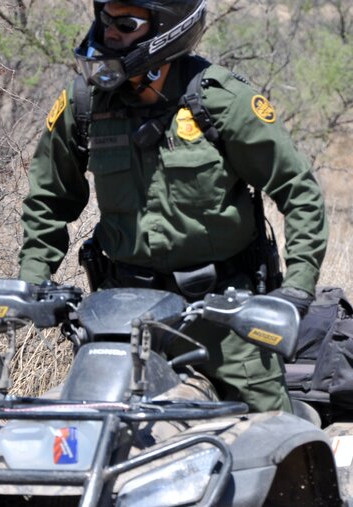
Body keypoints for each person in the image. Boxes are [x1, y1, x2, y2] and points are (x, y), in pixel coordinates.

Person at [18, 0, 328, 413]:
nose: (109, 33)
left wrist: (296, 290)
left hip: (225, 316)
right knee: (95, 434)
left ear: (168, 27)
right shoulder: (85, 104)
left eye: (126, 23)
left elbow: (298, 188)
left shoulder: (219, 100)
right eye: (105, 18)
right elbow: (50, 197)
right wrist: (33, 281)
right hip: (121, 315)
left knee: (271, 439)